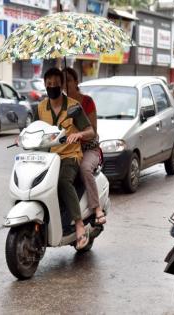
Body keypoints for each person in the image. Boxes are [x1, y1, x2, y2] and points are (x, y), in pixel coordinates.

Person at [35, 67, 95, 250]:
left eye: (56, 84)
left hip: (70, 155)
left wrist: (79, 135)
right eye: (49, 84)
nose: (52, 87)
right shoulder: (41, 107)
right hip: (49, 156)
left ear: (62, 85)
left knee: (62, 181)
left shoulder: (73, 107)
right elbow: (35, 129)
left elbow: (91, 132)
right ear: (45, 85)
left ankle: (78, 225)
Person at [62, 67, 106, 226]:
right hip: (66, 150)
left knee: (85, 168)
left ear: (76, 82)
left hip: (88, 149)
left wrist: (78, 133)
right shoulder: (60, 104)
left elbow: (92, 131)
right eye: (63, 81)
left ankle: (96, 208)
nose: (65, 84)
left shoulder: (86, 101)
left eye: (68, 80)